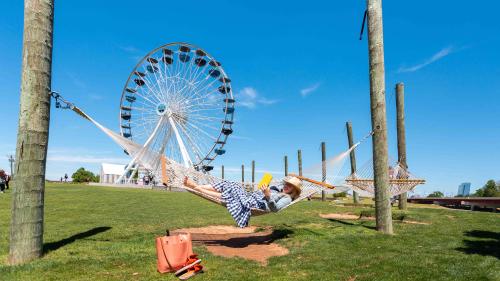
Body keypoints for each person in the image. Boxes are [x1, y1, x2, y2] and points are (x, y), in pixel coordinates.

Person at [183, 176, 302, 227]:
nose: (287, 186)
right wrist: (264, 188)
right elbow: (262, 190)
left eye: (290, 186)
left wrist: (267, 195)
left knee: (231, 193)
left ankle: (197, 188)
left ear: (294, 190)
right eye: (287, 184)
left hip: (254, 204)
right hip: (250, 196)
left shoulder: (287, 198)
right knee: (229, 185)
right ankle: (197, 186)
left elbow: (275, 209)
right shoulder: (278, 189)